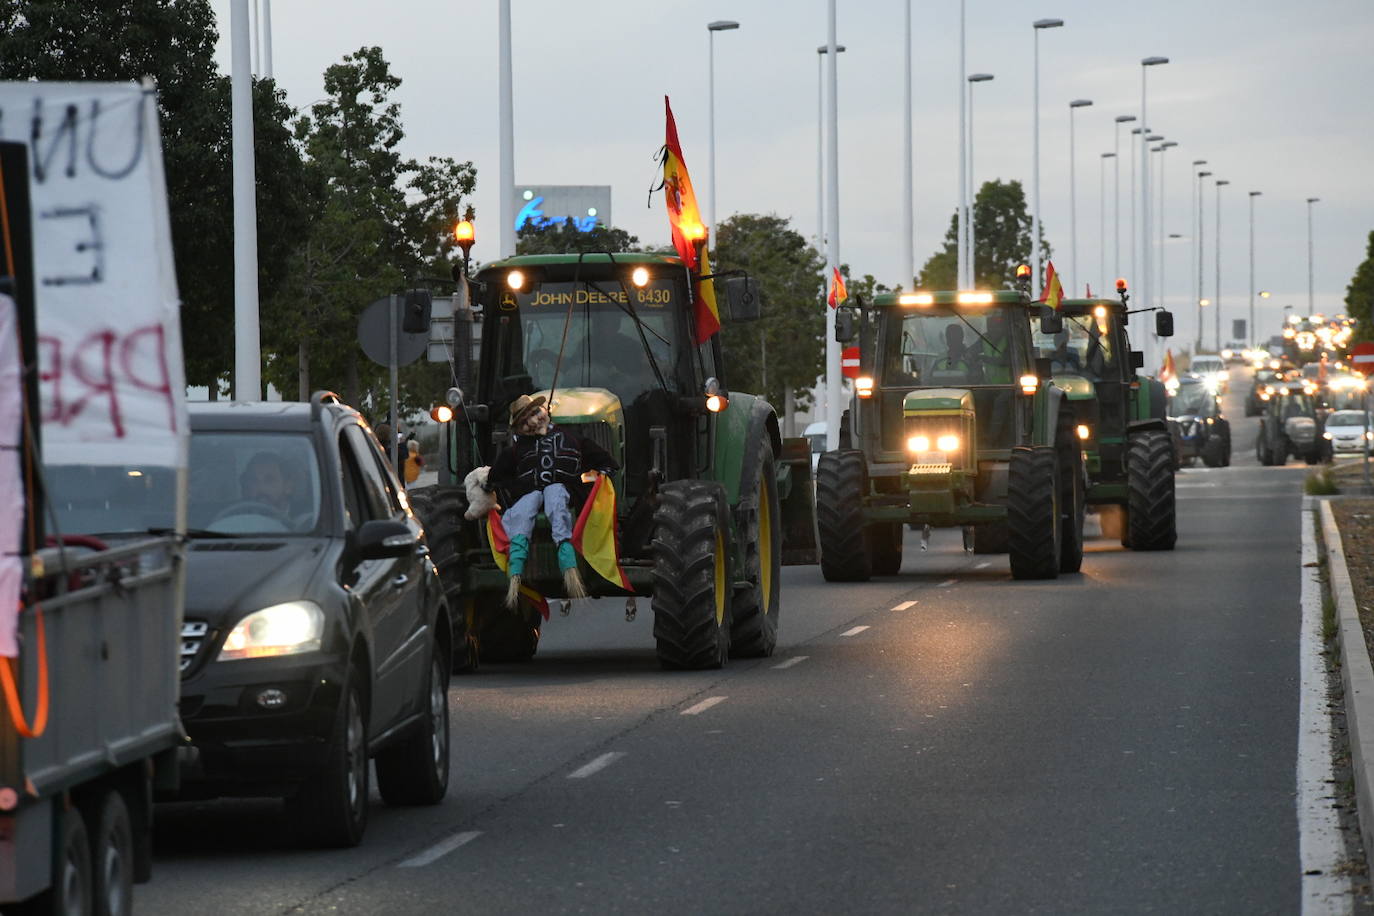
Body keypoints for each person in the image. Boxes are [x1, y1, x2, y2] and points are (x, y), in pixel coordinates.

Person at [486, 394, 619, 607]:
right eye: (525, 420)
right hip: (531, 494)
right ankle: (516, 570)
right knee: (524, 508)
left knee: (556, 495)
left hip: (562, 492)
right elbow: (498, 475)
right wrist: (496, 487)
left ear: (545, 412)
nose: (533, 421)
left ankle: (567, 561)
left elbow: (604, 460)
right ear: (520, 428)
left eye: (535, 413)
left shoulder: (572, 439)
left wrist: (603, 470)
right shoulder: (517, 450)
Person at [239, 452, 295, 520]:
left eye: (269, 480)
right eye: (254, 480)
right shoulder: (236, 520)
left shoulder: (305, 522)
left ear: (288, 486)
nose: (261, 487)